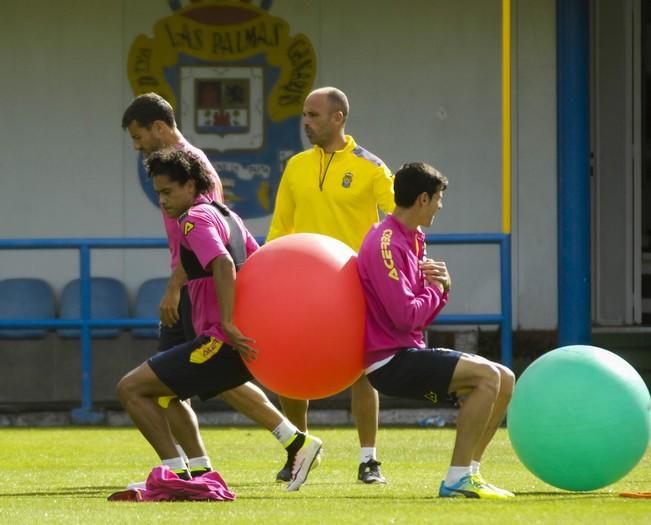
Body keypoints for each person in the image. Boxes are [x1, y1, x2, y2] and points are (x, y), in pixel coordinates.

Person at [116, 149, 322, 493]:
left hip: (219, 341)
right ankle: (199, 472)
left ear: (191, 185)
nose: (163, 202)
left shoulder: (193, 220)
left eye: (167, 192)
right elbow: (258, 267)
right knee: (166, 392)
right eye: (158, 194)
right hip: (230, 338)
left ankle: (174, 476)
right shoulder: (227, 215)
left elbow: (224, 264)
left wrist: (227, 323)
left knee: (131, 388)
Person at [121, 93, 286, 472]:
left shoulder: (193, 173)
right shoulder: (177, 167)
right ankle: (198, 468)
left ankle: (189, 469)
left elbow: (210, 245)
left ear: (158, 127)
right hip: (198, 288)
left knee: (161, 383)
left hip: (198, 292)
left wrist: (175, 286)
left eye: (137, 136)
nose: (136, 146)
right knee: (174, 383)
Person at [356, 162, 515, 499]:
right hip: (389, 361)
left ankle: (470, 474)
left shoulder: (413, 238)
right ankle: (457, 479)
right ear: (423, 199)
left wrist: (440, 289)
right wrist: (440, 290)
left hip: (407, 351)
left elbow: (418, 317)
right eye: (439, 198)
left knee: (505, 379)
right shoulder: (386, 242)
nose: (441, 206)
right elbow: (405, 317)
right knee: (488, 377)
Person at [267, 86, 394, 484]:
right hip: (299, 288)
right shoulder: (295, 166)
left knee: (361, 373)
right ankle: (298, 451)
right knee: (290, 368)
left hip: (354, 286)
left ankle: (369, 460)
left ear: (338, 118)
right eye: (304, 115)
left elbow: (397, 223)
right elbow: (279, 227)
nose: (306, 122)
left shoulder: (372, 167)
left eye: (313, 115)